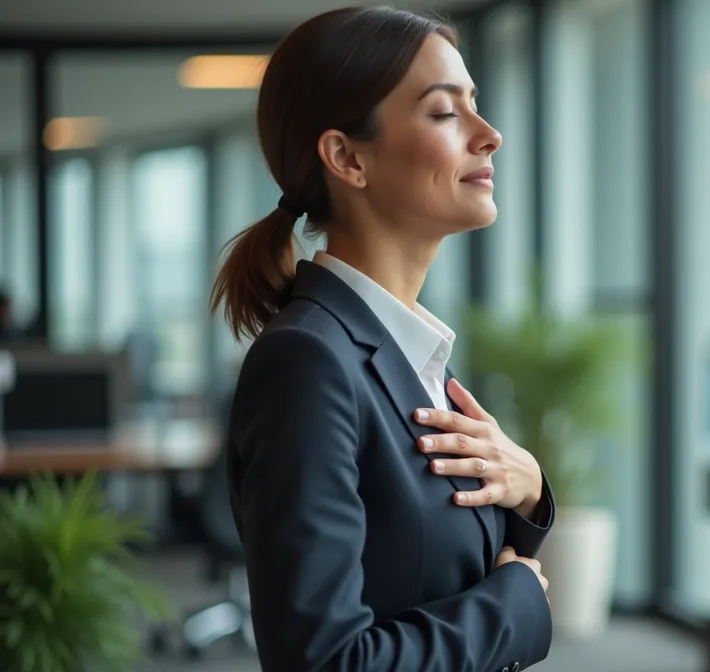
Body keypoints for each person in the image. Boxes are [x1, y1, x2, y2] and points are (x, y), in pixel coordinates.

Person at [209, 7, 554, 671]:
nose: (490, 135)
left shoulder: (404, 352)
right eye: (445, 112)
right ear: (346, 157)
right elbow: (327, 661)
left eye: (474, 104)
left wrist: (530, 487)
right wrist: (516, 607)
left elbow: (428, 555)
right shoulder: (308, 363)